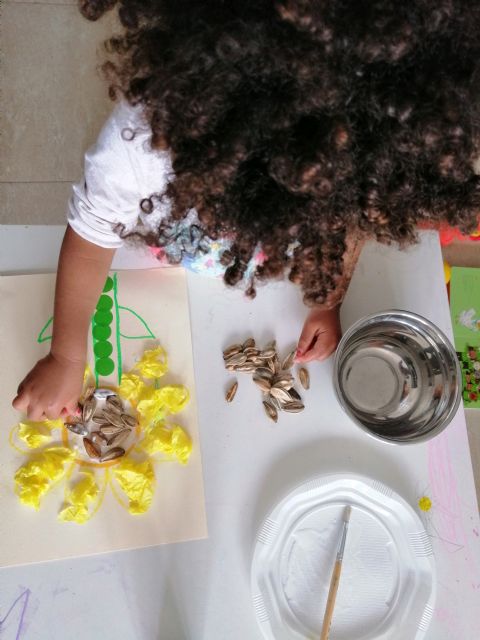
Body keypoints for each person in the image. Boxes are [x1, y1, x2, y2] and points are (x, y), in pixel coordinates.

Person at [12, 0, 480, 420]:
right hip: (169, 245)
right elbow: (93, 232)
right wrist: (67, 358)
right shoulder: (150, 135)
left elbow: (347, 226)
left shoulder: (362, 162)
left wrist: (327, 300)